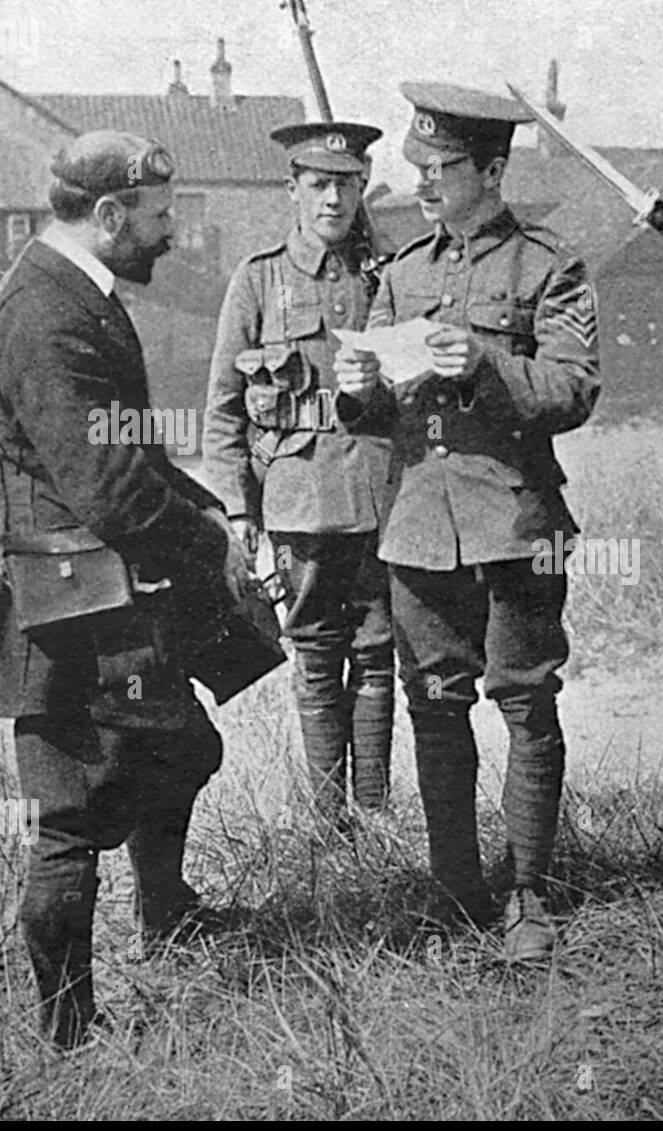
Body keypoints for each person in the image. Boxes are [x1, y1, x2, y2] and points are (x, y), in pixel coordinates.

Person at [0, 130, 255, 1048]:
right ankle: (68, 1036)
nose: (174, 234)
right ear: (110, 215)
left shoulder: (79, 294)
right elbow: (105, 485)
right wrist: (209, 543)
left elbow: (135, 453)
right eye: (162, 218)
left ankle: (164, 912)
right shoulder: (45, 315)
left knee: (180, 749)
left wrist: (219, 516)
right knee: (70, 820)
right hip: (67, 609)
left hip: (104, 589)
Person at [335, 82, 601, 960]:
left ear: (492, 169)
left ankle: (528, 894)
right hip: (416, 528)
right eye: (419, 168)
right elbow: (378, 418)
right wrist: (359, 394)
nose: (425, 185)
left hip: (515, 522)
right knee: (433, 706)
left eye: (445, 168)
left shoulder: (546, 265)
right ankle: (456, 892)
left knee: (526, 701)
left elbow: (574, 389)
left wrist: (486, 363)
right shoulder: (401, 274)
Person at [203, 121, 396, 832]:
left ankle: (374, 813)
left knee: (378, 651)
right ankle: (325, 819)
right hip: (300, 497)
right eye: (319, 184)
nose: (333, 200)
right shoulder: (259, 279)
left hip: (380, 492)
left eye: (347, 184)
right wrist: (238, 507)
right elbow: (224, 404)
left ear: (361, 190)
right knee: (316, 649)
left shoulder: (385, 273)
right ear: (293, 190)